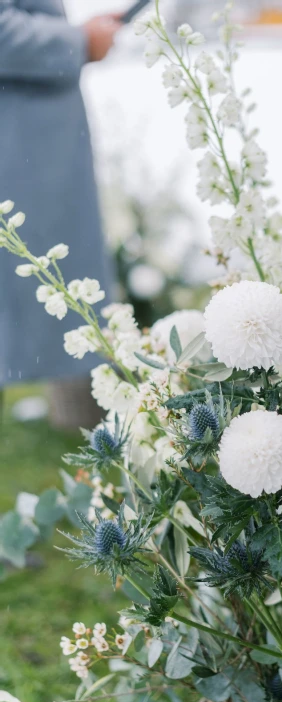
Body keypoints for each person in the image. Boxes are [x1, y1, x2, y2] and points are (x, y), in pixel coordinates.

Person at [0, 1, 122, 425]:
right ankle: (94, 424)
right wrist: (79, 40)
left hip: (33, 127)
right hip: (20, 134)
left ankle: (87, 421)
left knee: (62, 267)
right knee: (54, 263)